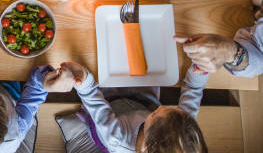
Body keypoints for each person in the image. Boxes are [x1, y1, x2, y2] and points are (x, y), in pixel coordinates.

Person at [55, 62, 208, 153]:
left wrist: (84, 81)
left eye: (155, 115)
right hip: (138, 104)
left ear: (146, 144)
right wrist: (199, 70)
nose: (161, 108)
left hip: (107, 117)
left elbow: (95, 103)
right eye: (168, 108)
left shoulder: (117, 139)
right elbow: (194, 89)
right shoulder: (182, 125)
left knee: (96, 97)